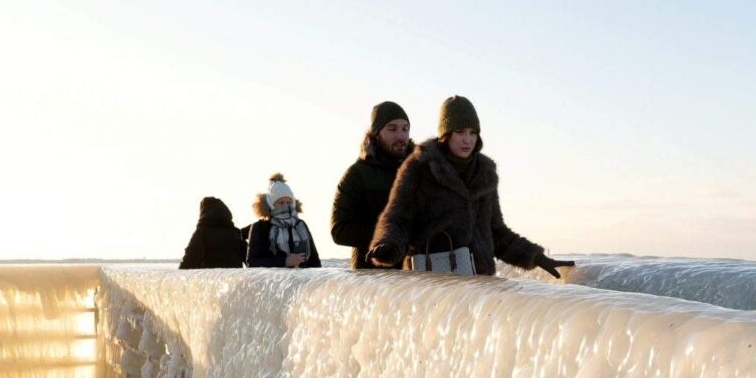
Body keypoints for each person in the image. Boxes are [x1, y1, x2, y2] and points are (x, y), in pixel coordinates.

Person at [368, 95, 571, 277]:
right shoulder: (419, 167)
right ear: (446, 134)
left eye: (473, 132)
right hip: (432, 280)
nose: (467, 140)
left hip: (478, 281)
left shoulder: (485, 173)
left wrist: (536, 257)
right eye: (460, 132)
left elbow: (496, 232)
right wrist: (388, 245)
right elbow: (397, 218)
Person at [331, 101, 415, 269]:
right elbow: (339, 230)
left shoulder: (419, 170)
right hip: (372, 278)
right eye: (392, 129)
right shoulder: (357, 175)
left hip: (416, 276)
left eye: (405, 129)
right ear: (376, 133)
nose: (401, 136)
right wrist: (388, 233)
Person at [245, 175, 320, 268]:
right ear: (271, 205)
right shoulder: (260, 228)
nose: (286, 206)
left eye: (289, 202)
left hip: (303, 276)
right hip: (274, 278)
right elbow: (252, 263)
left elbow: (315, 261)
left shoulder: (300, 225)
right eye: (281, 203)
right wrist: (285, 261)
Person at [179, 196, 244, 269]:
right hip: (235, 276)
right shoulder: (236, 233)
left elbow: (190, 259)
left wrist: (179, 275)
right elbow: (249, 259)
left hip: (210, 276)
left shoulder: (202, 233)